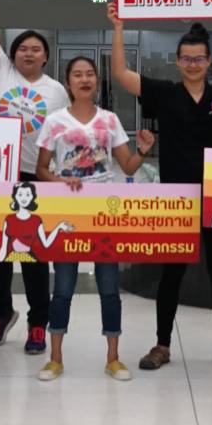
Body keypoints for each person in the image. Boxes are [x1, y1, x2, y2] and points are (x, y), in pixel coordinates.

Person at [109, 1, 212, 372]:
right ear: (177, 61)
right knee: (171, 273)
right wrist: (120, 28)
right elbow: (121, 73)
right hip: (177, 199)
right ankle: (162, 345)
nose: (192, 64)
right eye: (186, 59)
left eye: (199, 59)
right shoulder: (164, 93)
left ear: (208, 61)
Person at [32, 55, 154, 383]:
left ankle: (113, 357)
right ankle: (55, 358)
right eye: (77, 75)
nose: (84, 80)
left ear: (97, 81)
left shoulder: (110, 121)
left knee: (109, 288)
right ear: (68, 82)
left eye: (90, 74)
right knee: (63, 288)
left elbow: (127, 166)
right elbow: (41, 169)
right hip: (68, 211)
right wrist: (60, 181)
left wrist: (142, 150)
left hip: (103, 214)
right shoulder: (55, 121)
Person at [0, 0, 69, 355]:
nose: (28, 52)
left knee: (34, 255)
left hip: (38, 178)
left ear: (46, 56)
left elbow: (64, 140)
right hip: (0, 177)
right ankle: (0, 315)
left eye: (36, 48)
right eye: (22, 48)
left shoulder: (57, 91)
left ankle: (37, 323)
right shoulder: (0, 74)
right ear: (12, 55)